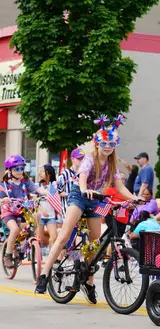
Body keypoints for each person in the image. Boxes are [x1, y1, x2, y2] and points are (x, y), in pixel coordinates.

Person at [35, 115, 141, 302]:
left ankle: (88, 283)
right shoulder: (90, 159)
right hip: (79, 196)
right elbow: (82, 177)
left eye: (111, 143)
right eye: (104, 143)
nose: (107, 146)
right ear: (97, 144)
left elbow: (120, 187)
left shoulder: (112, 164)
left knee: (94, 243)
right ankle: (43, 276)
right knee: (65, 235)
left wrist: (135, 198)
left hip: (95, 199)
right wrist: (85, 190)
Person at [0, 155, 48, 268]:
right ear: (9, 170)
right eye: (16, 169)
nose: (20, 171)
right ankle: (8, 256)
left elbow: (37, 189)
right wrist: (3, 200)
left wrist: (45, 192)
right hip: (9, 213)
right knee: (14, 229)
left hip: (23, 211)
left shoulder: (26, 182)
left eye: (22, 168)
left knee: (37, 215)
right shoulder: (5, 184)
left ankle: (27, 242)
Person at [57, 148, 85, 218]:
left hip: (83, 210)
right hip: (68, 210)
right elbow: (58, 191)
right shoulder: (65, 174)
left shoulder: (85, 174)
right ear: (73, 159)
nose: (81, 161)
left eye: (83, 159)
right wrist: (71, 194)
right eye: (79, 159)